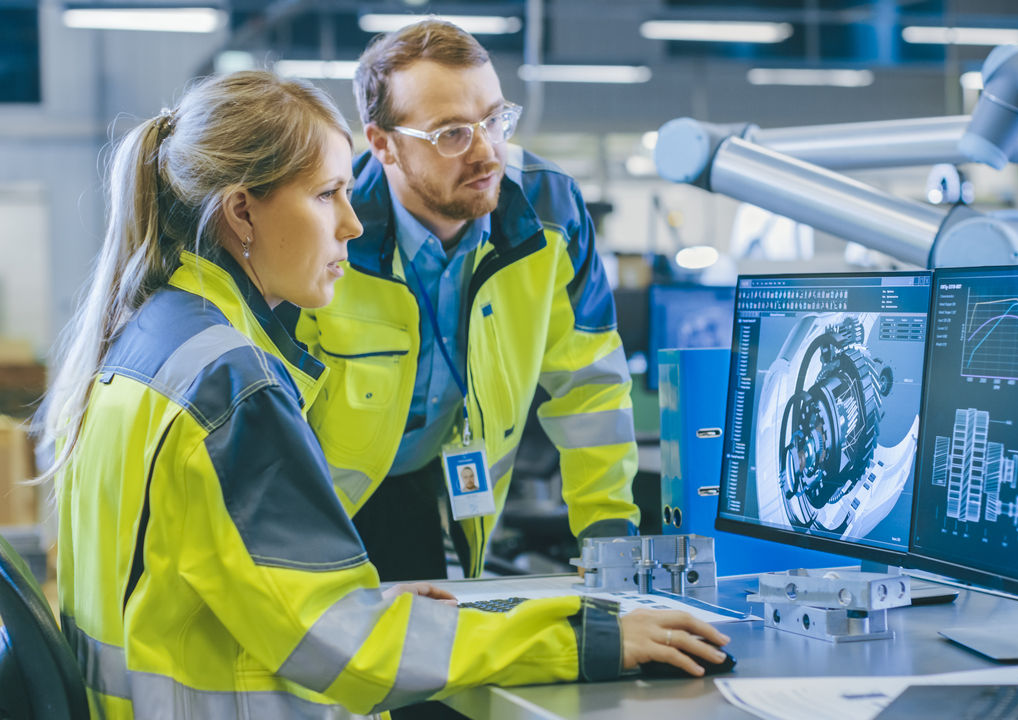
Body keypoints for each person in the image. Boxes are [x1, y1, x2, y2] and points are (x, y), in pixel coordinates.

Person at [38, 70, 728, 720]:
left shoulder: (148, 344)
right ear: (242, 212)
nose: (352, 223)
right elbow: (351, 653)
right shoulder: (230, 385)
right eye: (325, 194)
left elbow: (205, 592)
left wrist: (359, 602)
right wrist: (587, 639)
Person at [292, 18, 639, 582]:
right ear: (382, 144)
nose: (487, 152)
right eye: (451, 133)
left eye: (495, 120)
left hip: (436, 482)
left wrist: (610, 547)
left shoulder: (549, 211)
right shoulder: (330, 232)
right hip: (320, 504)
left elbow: (591, 388)